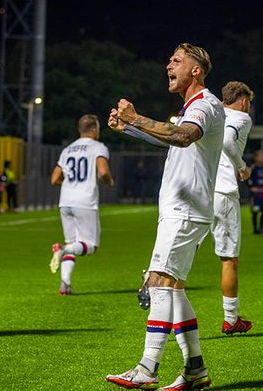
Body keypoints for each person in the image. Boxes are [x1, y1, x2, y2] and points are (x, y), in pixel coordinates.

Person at [105, 43, 224, 390]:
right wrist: (130, 129)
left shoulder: (203, 104)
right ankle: (195, 368)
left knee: (157, 282)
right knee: (174, 289)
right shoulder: (193, 107)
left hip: (184, 211)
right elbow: (174, 139)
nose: (168, 65)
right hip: (185, 210)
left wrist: (135, 118)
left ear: (196, 70)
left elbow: (183, 137)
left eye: (176, 61)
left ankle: (147, 368)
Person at [49, 114, 114, 295]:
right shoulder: (98, 147)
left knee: (72, 242)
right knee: (91, 246)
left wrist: (71, 185)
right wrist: (109, 181)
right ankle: (62, 250)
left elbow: (54, 179)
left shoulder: (68, 149)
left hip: (65, 201)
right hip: (85, 201)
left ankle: (65, 285)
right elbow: (103, 171)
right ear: (94, 129)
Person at [211, 81, 254, 335]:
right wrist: (242, 166)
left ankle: (166, 311)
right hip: (223, 193)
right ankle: (230, 319)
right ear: (244, 101)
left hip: (200, 190)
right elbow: (228, 140)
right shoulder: (242, 117)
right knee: (229, 258)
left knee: (182, 258)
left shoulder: (211, 113)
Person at [249, 150, 263, 234]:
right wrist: (251, 187)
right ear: (256, 158)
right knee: (255, 211)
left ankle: (261, 228)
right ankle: (255, 229)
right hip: (256, 195)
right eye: (261, 156)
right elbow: (247, 179)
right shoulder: (253, 168)